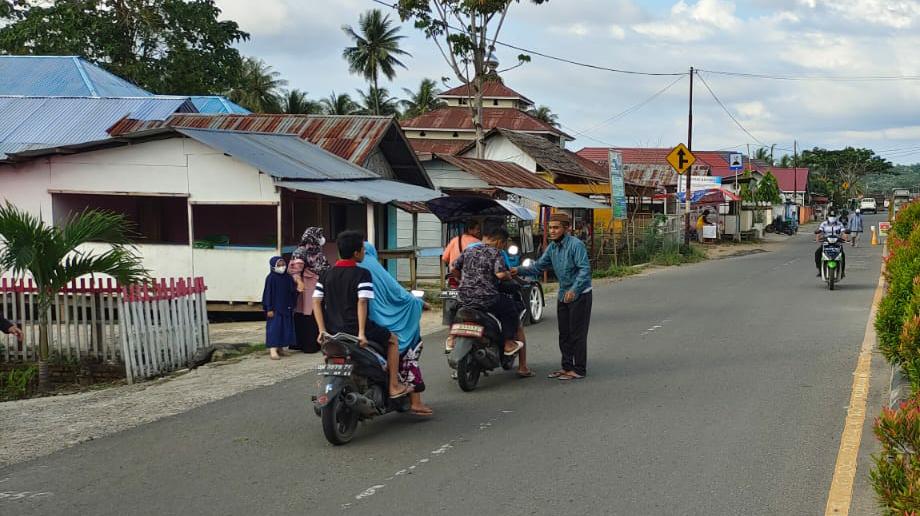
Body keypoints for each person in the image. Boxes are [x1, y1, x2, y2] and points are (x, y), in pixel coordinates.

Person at [313, 231, 412, 399]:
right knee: (393, 340)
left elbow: (316, 301)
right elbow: (362, 302)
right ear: (356, 253)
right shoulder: (362, 274)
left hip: (332, 330)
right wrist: (361, 332)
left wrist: (321, 330)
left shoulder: (326, 274)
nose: (364, 253)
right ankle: (394, 386)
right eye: (363, 250)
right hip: (355, 328)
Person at [514, 212, 592, 381]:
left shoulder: (576, 245)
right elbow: (538, 267)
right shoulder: (552, 248)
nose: (552, 231)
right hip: (563, 293)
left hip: (580, 294)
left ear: (567, 228)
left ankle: (579, 369)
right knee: (564, 333)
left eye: (556, 228)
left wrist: (575, 290)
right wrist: (517, 270)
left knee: (577, 333)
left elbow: (584, 270)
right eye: (550, 228)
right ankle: (566, 367)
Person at [359, 242, 433, 416]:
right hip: (379, 324)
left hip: (346, 326)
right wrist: (419, 303)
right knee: (409, 350)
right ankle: (414, 400)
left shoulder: (341, 270)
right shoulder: (373, 267)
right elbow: (398, 294)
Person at [452, 226, 525, 358]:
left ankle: (452, 338)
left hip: (464, 297)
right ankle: (508, 342)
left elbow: (454, 268)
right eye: (503, 244)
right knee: (510, 309)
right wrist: (508, 275)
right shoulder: (495, 253)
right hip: (486, 298)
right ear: (499, 242)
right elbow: (500, 275)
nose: (502, 247)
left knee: (454, 308)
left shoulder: (469, 250)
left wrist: (460, 279)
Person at [288, 227, 330, 353]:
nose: (321, 239)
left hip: (320, 285)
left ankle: (318, 343)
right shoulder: (300, 252)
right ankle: (307, 344)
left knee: (318, 312)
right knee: (307, 314)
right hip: (306, 288)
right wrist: (299, 282)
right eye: (318, 236)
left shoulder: (317, 251)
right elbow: (295, 271)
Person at [262, 256, 297, 360]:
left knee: (285, 328)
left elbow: (292, 291)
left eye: (283, 264)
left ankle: (281, 348)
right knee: (275, 329)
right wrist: (269, 308)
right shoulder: (271, 278)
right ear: (273, 266)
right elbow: (268, 293)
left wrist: (295, 299)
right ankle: (273, 350)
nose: (282, 267)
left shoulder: (288, 277)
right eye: (279, 265)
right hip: (275, 308)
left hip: (286, 307)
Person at [814, 211, 848, 277]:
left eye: (833, 216)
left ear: (836, 217)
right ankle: (819, 269)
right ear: (828, 216)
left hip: (837, 242)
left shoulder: (839, 224)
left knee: (842, 255)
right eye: (831, 216)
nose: (832, 217)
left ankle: (842, 271)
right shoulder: (824, 224)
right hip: (826, 242)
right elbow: (820, 231)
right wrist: (817, 238)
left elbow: (843, 232)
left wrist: (846, 238)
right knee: (817, 253)